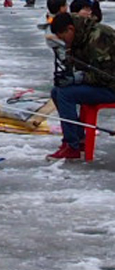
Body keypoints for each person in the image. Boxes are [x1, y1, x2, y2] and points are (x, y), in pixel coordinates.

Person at [46, 13, 115, 160]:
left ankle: (72, 146)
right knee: (57, 91)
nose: (63, 41)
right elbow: (77, 65)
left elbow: (105, 76)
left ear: (70, 29)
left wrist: (79, 78)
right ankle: (78, 138)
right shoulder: (78, 38)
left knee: (66, 94)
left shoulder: (98, 38)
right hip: (101, 83)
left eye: (63, 37)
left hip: (111, 86)